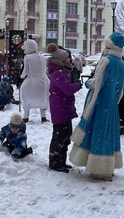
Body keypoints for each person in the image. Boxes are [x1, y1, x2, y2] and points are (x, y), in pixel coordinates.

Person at [70, 32, 124, 181]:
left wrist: (88, 84)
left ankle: (98, 167)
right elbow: (120, 89)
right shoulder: (122, 64)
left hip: (100, 102)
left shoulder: (106, 60)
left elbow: (98, 82)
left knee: (97, 131)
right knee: (109, 134)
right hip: (112, 104)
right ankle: (107, 166)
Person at [46, 44, 82, 173]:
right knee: (60, 137)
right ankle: (55, 163)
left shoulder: (61, 72)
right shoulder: (59, 73)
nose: (69, 59)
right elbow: (67, 89)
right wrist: (77, 85)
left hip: (63, 108)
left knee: (65, 136)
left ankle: (61, 161)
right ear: (61, 60)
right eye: (67, 58)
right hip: (60, 109)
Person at [19, 39, 50, 123]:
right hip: (44, 80)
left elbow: (25, 71)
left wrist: (21, 77)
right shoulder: (43, 57)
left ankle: (25, 117)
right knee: (43, 98)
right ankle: (43, 117)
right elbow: (45, 69)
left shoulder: (27, 58)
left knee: (27, 98)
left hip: (31, 80)